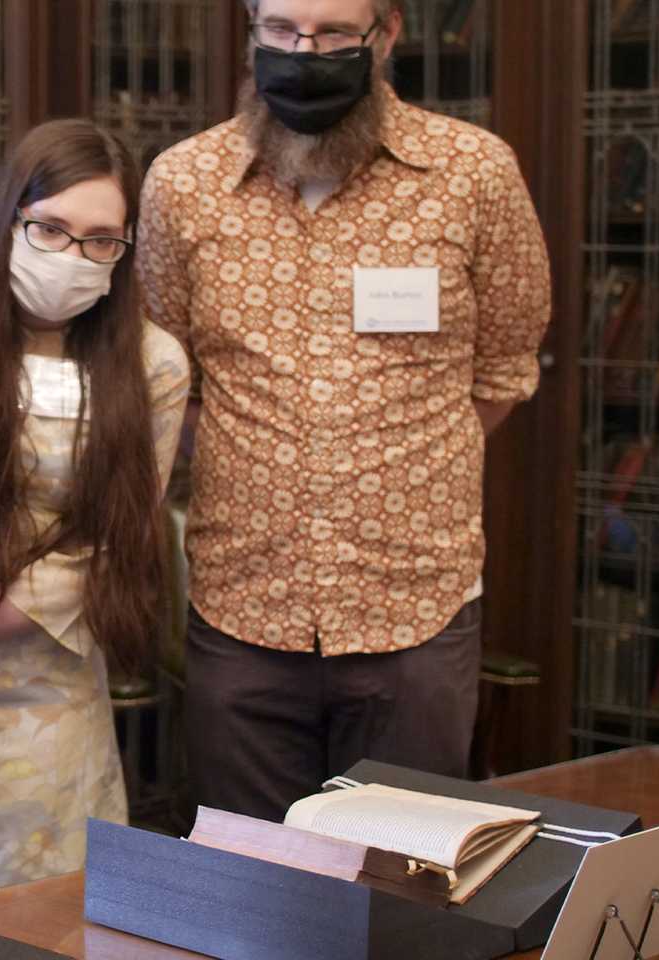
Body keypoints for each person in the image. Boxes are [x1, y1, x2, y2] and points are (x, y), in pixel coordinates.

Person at [136, 0, 552, 823]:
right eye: (282, 32)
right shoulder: (182, 183)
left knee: (401, 896)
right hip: (241, 605)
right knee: (248, 897)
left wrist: (392, 463)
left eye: (332, 35)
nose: (304, 53)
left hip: (415, 608)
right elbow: (164, 376)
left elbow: (503, 371)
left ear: (386, 36)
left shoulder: (474, 174)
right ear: (252, 32)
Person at [0, 119, 189, 905]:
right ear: (9, 217)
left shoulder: (153, 363)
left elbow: (114, 542)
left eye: (101, 241)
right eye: (50, 229)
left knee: (44, 913)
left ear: (126, 251)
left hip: (45, 686)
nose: (71, 258)